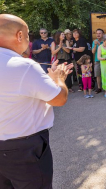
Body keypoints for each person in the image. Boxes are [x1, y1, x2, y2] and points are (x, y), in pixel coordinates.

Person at [0, 14, 71, 188]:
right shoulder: (24, 66)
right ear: (19, 36)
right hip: (23, 150)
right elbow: (59, 98)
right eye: (27, 34)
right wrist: (59, 78)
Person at [92, 28, 104, 94]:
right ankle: (99, 87)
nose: (98, 35)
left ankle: (105, 87)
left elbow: (104, 51)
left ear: (103, 34)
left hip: (104, 60)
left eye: (99, 33)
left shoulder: (105, 41)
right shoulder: (94, 42)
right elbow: (93, 52)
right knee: (98, 75)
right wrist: (96, 44)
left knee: (104, 74)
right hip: (97, 60)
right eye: (97, 33)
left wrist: (99, 44)